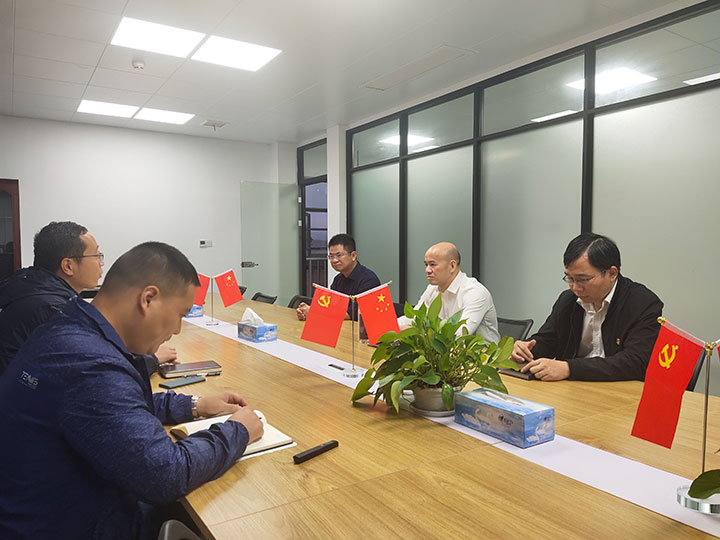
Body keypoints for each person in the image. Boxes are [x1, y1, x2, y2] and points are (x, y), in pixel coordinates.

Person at [0, 241, 264, 540]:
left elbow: (117, 406)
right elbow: (165, 474)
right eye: (181, 314)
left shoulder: (70, 327)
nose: (177, 329)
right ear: (148, 299)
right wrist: (238, 431)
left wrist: (195, 405)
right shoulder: (91, 365)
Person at [0, 221, 176, 374]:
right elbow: (94, 368)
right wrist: (151, 359)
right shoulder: (53, 309)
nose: (101, 262)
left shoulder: (30, 286)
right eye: (96, 255)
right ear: (68, 266)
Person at [510, 232, 663, 382]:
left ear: (612, 273)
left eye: (583, 279)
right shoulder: (568, 300)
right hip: (572, 388)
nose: (575, 288)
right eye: (570, 278)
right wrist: (525, 349)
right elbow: (548, 340)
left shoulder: (643, 303)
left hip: (618, 389)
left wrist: (569, 368)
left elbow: (635, 361)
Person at [398, 242, 500, 342]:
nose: (427, 270)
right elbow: (414, 318)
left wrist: (416, 332)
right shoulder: (432, 289)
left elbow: (459, 336)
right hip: (441, 350)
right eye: (426, 265)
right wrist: (391, 328)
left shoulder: (474, 292)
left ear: (452, 266)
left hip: (480, 352)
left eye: (432, 264)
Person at [296, 233, 380, 321]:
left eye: (339, 255)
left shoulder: (369, 280)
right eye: (331, 256)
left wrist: (314, 312)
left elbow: (351, 314)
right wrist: (306, 313)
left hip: (360, 328)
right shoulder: (338, 279)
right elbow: (331, 308)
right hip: (341, 327)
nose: (334, 260)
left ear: (353, 256)